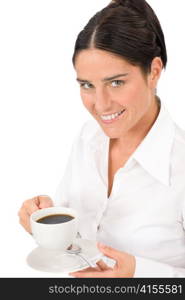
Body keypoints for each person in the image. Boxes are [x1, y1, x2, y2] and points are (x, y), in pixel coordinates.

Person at [18, 0, 185, 277]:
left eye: (116, 82)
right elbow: (74, 245)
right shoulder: (88, 139)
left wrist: (138, 275)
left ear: (154, 71)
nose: (101, 104)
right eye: (87, 85)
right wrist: (44, 221)